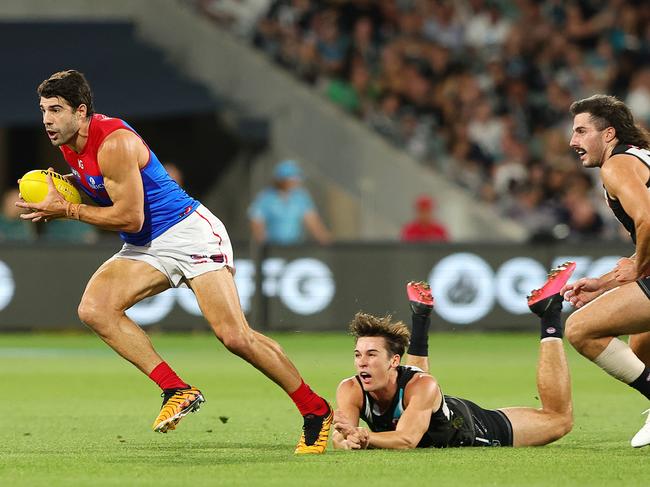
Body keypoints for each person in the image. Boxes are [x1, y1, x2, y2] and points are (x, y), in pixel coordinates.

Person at [16, 70, 332, 454]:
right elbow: (106, 198)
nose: (47, 119)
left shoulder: (113, 142)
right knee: (95, 309)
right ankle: (176, 389)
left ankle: (315, 410)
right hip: (146, 244)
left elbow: (129, 216)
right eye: (43, 110)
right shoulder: (68, 143)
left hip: (188, 234)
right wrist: (67, 188)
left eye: (56, 110)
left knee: (235, 337)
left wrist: (66, 209)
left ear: (80, 111)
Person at [332, 262, 575, 450]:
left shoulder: (423, 384)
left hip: (474, 428)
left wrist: (365, 437)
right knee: (414, 385)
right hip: (438, 407)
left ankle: (550, 314)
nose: (362, 361)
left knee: (559, 420)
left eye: (371, 354)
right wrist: (348, 442)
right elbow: (342, 436)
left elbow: (407, 440)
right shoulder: (350, 389)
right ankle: (420, 317)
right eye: (358, 355)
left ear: (394, 360)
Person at [560, 94, 650, 448]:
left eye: (582, 131)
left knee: (580, 329)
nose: (573, 142)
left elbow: (647, 219)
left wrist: (638, 267)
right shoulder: (640, 158)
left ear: (609, 134)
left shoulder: (617, 166)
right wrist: (605, 283)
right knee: (641, 350)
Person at [248, 159, 332, 245]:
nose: (296, 182)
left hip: (294, 247)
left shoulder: (301, 197)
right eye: (292, 179)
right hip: (272, 248)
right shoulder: (265, 198)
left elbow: (313, 223)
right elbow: (257, 224)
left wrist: (327, 242)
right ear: (282, 180)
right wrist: (263, 245)